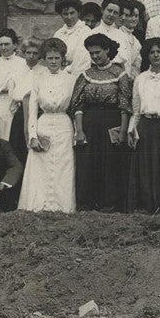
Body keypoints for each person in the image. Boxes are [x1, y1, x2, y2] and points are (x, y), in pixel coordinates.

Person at [68, 33, 133, 212]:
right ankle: (87, 204)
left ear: (107, 50)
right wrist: (79, 130)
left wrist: (122, 131)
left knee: (111, 163)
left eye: (98, 52)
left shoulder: (120, 74)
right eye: (91, 54)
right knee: (88, 162)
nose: (95, 56)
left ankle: (110, 204)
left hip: (112, 122)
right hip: (89, 122)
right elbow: (77, 104)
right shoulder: (85, 74)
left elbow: (125, 104)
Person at [17, 38, 77, 214]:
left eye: (56, 58)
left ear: (62, 59)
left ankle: (62, 207)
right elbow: (33, 110)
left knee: (63, 166)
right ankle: (38, 205)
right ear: (45, 58)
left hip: (63, 124)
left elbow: (74, 108)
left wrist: (75, 133)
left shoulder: (71, 79)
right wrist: (33, 136)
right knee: (41, 165)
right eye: (50, 58)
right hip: (44, 123)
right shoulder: (38, 78)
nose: (53, 62)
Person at [127, 38, 160, 215]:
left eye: (159, 52)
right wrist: (131, 130)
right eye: (152, 52)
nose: (156, 55)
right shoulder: (141, 78)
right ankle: (149, 207)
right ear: (147, 55)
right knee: (146, 166)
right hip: (145, 126)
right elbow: (135, 109)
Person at [0, 29, 29, 141]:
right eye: (0, 44)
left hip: (15, 105)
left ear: (15, 45)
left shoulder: (23, 64)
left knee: (12, 137)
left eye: (6, 44)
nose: (3, 47)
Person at [8, 38, 42, 166]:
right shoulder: (17, 71)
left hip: (38, 113)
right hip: (21, 114)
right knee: (18, 148)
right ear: (23, 53)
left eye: (35, 53)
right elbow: (12, 97)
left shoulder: (44, 71)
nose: (31, 56)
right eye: (28, 53)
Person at [53, 0, 93, 75]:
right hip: (58, 74)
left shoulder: (86, 32)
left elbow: (82, 60)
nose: (69, 17)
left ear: (78, 13)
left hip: (76, 74)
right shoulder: (58, 34)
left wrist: (65, 72)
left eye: (72, 13)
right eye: (65, 14)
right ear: (61, 15)